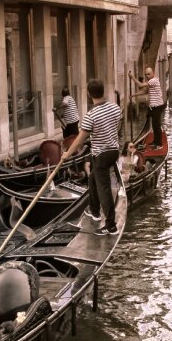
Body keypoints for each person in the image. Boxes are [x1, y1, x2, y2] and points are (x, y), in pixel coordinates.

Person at [60, 79, 121, 236]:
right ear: (103, 91)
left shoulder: (91, 116)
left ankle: (111, 226)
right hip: (114, 151)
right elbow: (116, 127)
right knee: (92, 178)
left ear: (89, 94)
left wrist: (67, 154)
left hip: (101, 155)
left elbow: (79, 140)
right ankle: (94, 211)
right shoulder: (115, 108)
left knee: (104, 189)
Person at [129, 66, 166, 148]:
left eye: (148, 74)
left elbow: (140, 85)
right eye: (146, 74)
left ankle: (159, 144)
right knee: (153, 125)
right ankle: (155, 141)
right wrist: (133, 95)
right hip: (153, 107)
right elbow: (145, 91)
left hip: (157, 106)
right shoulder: (150, 82)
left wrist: (132, 77)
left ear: (153, 74)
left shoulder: (153, 81)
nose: (147, 76)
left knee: (156, 125)